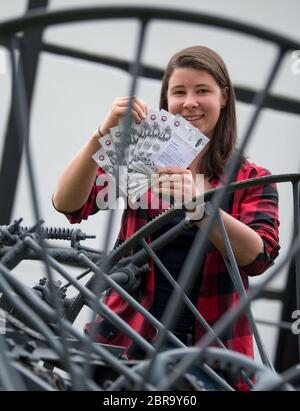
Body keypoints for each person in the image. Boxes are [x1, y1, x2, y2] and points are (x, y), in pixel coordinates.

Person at [52, 46, 280, 390]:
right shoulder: (142, 164)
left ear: (223, 97)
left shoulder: (252, 179)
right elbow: (68, 204)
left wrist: (197, 204)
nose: (190, 102)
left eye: (202, 90)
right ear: (166, 100)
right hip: (126, 340)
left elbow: (258, 256)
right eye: (179, 92)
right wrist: (101, 134)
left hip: (213, 354)